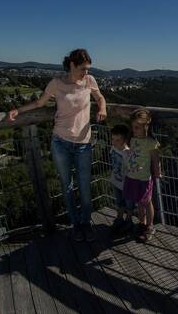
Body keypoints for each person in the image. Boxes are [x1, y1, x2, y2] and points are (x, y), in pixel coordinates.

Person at [7, 48, 107, 242]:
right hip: (60, 142)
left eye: (88, 69)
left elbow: (99, 97)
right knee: (67, 187)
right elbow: (39, 103)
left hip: (84, 144)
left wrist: (102, 108)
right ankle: (76, 226)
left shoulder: (89, 81)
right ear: (72, 65)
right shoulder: (56, 83)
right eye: (83, 68)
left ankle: (86, 224)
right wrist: (17, 111)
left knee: (85, 188)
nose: (86, 72)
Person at [124, 107, 161, 242]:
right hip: (133, 176)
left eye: (138, 127)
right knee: (139, 202)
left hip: (145, 178)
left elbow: (156, 160)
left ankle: (150, 226)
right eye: (134, 127)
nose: (135, 130)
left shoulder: (151, 143)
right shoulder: (133, 139)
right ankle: (142, 223)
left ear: (147, 125)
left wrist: (157, 173)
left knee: (146, 201)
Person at [109, 124, 134, 234]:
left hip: (127, 184)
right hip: (116, 181)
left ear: (125, 140)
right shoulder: (113, 148)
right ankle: (119, 218)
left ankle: (129, 220)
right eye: (113, 139)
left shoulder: (128, 153)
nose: (114, 142)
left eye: (118, 140)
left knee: (129, 203)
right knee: (119, 202)